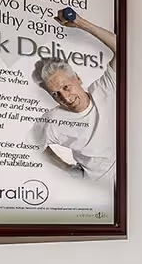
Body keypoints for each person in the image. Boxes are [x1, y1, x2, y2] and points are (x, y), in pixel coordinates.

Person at [30, 14, 117, 182]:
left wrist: (81, 23)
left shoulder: (105, 89)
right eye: (56, 94)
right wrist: (66, 168)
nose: (65, 97)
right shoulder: (52, 121)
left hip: (133, 173)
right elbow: (32, 145)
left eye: (66, 87)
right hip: (102, 187)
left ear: (77, 78)